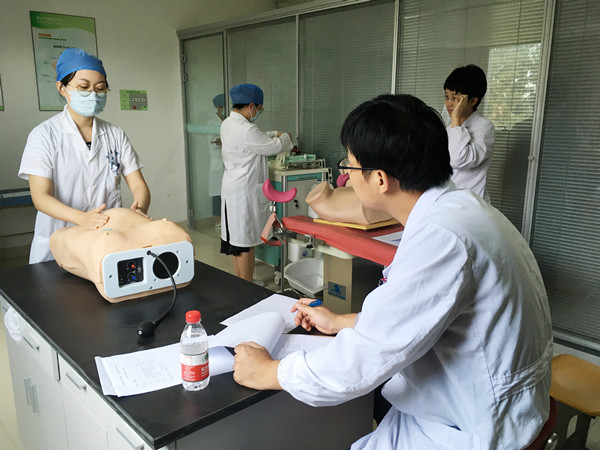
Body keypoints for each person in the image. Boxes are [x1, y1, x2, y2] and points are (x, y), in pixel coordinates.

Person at [232, 94, 553, 449]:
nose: (347, 177)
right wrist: (341, 322)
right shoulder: (462, 208)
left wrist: (268, 371)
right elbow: (414, 313)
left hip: (473, 424)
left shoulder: (441, 238)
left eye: (350, 167)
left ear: (380, 179)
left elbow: (359, 364)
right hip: (489, 398)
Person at [18, 48, 150, 264]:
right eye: (83, 87)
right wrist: (82, 218)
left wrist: (140, 208)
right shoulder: (44, 135)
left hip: (106, 240)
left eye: (100, 88)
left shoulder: (115, 134)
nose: (93, 94)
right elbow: (41, 197)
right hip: (58, 243)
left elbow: (138, 185)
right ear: (61, 88)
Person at [220, 83, 293, 281]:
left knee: (236, 241)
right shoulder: (247, 129)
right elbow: (273, 147)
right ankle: (247, 285)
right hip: (244, 190)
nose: (258, 112)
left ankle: (240, 281)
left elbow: (256, 139)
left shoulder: (227, 123)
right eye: (259, 109)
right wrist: (286, 137)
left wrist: (272, 133)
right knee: (245, 242)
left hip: (232, 186)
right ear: (251, 106)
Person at [444, 64, 495, 202]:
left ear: (472, 101)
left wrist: (456, 118)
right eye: (447, 97)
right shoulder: (450, 129)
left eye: (455, 99)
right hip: (448, 200)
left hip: (471, 202)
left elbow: (458, 159)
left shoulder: (484, 127)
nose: (448, 103)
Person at [208, 93, 225, 230]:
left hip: (229, 162)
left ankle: (227, 220)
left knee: (228, 193)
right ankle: (218, 221)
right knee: (217, 194)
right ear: (219, 107)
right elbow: (212, 142)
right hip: (218, 162)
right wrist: (224, 141)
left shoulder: (229, 121)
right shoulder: (210, 123)